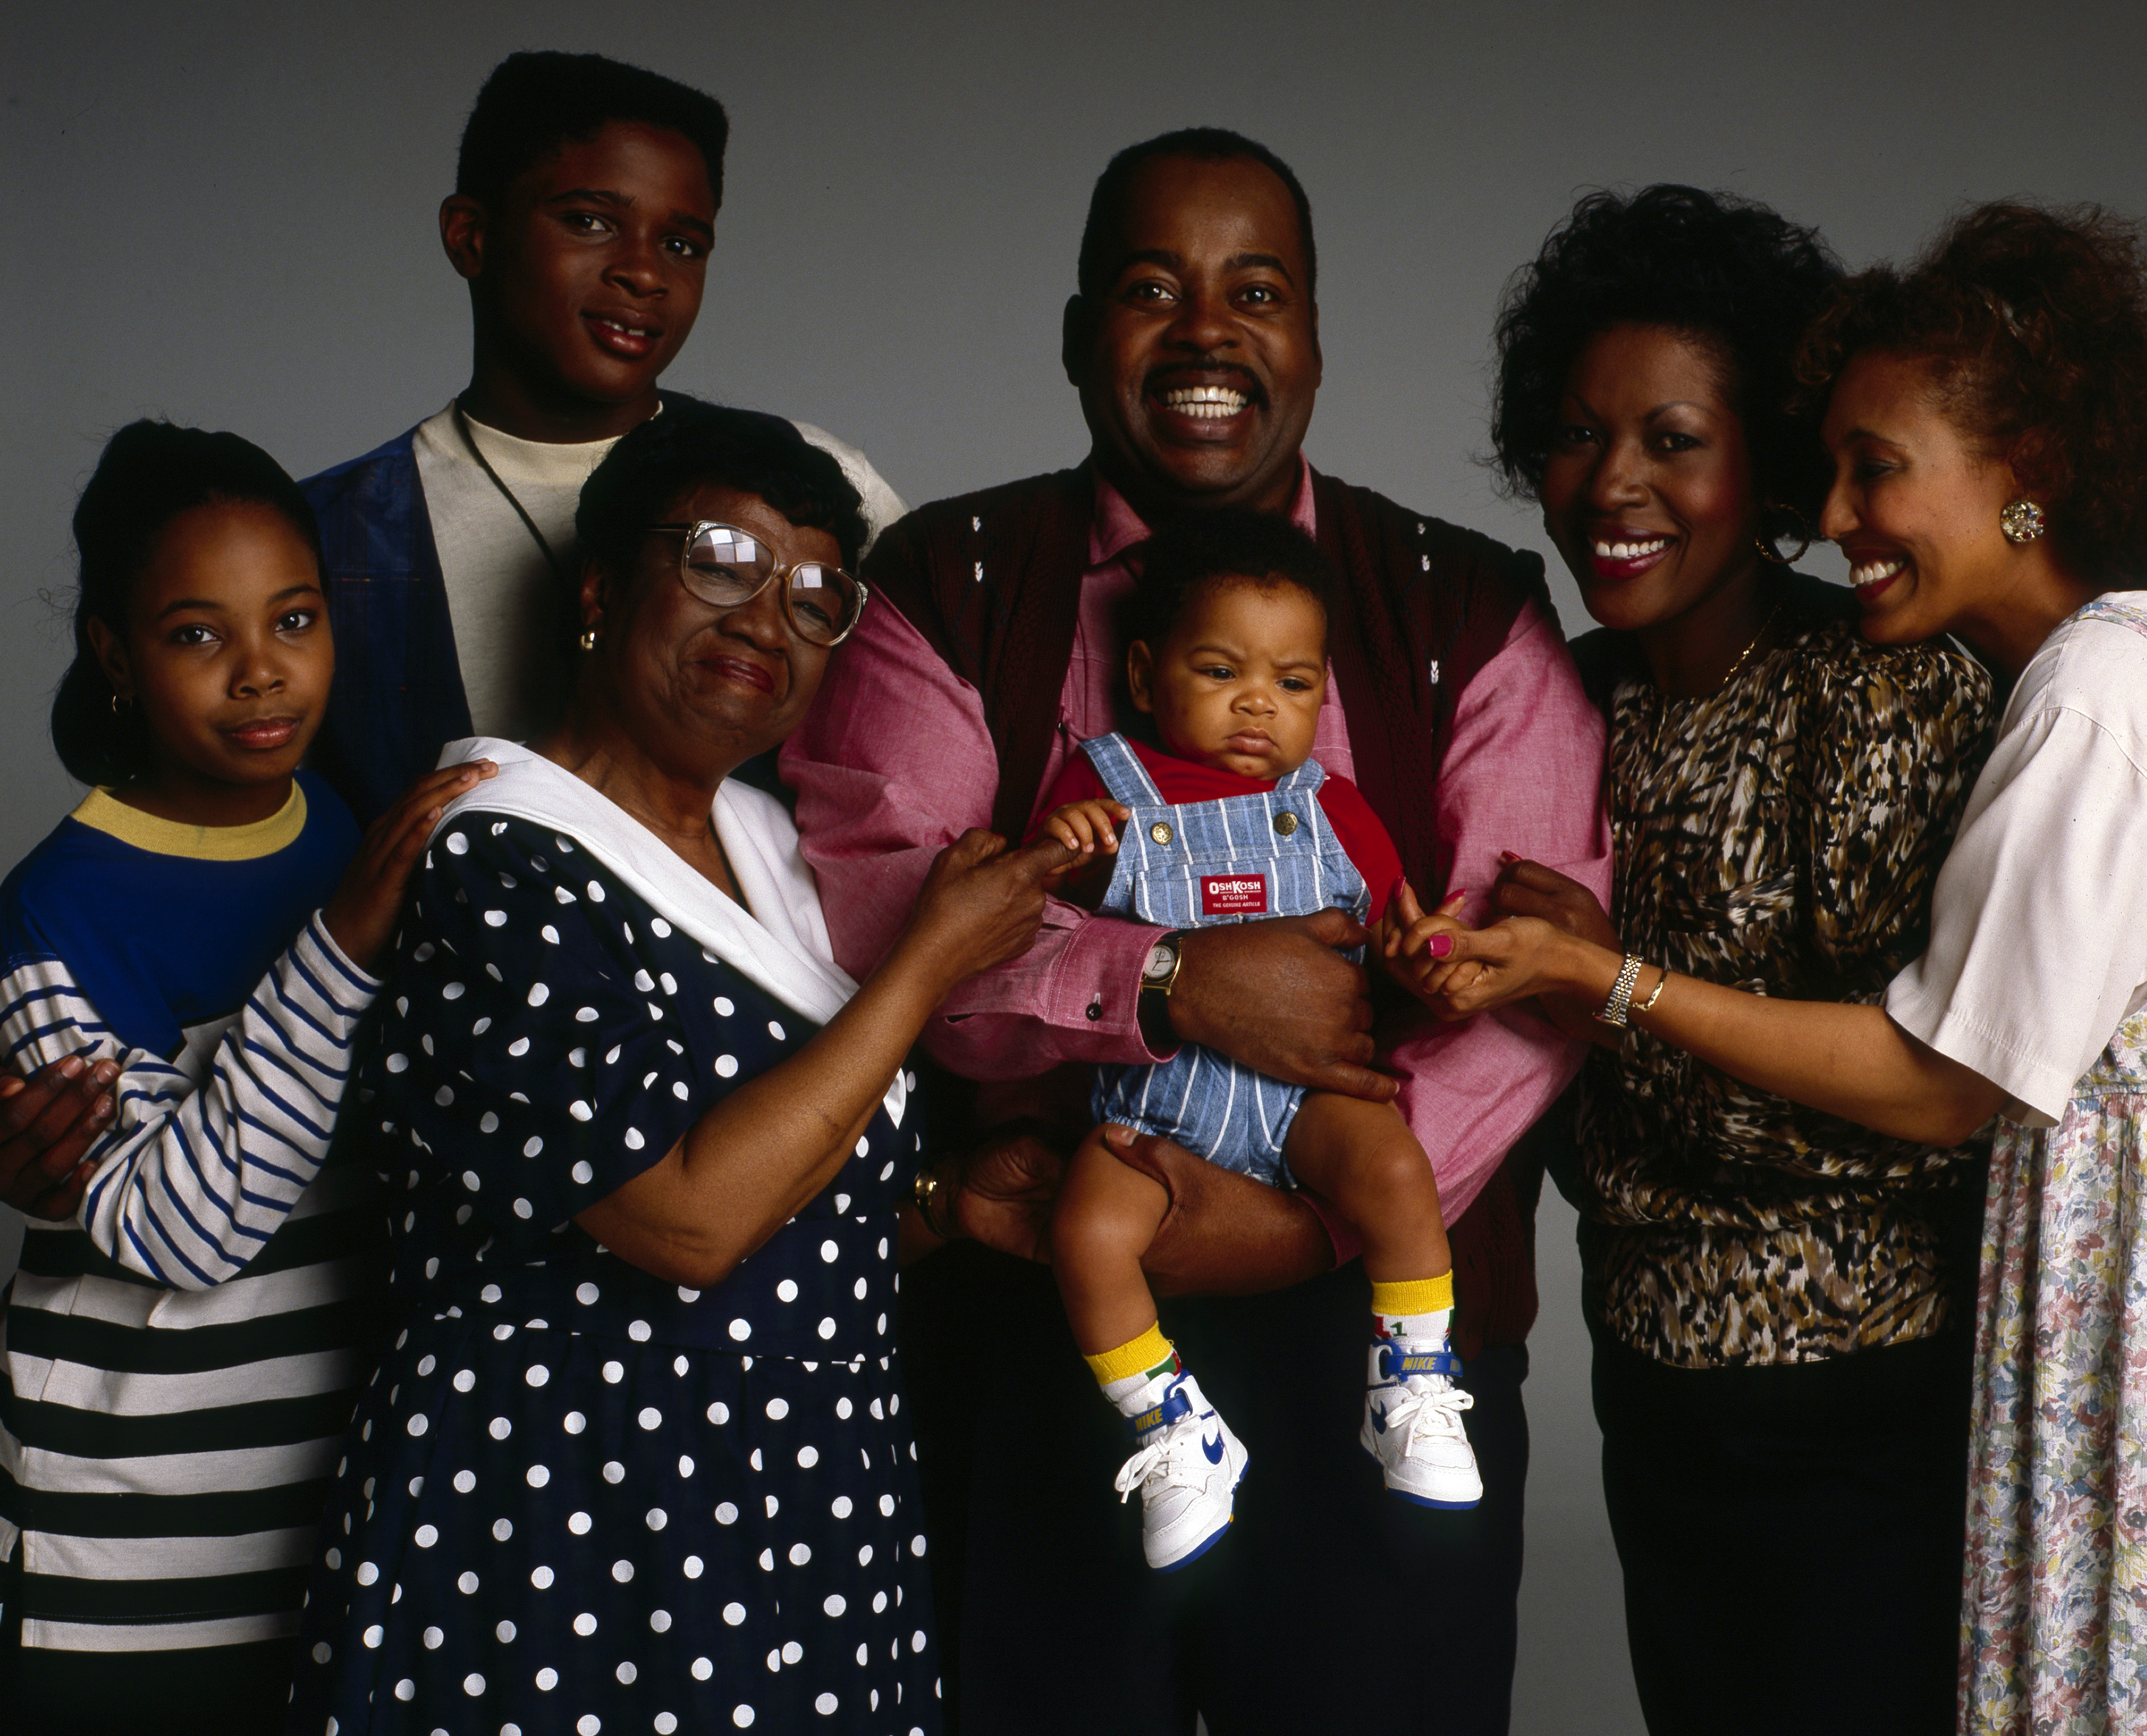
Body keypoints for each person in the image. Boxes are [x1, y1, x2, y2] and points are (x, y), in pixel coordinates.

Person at [783, 128, 1610, 1734]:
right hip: (1050, 1336)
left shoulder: (1464, 601)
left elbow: (1526, 984)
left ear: (1311, 336)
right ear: (1083, 328)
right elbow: (888, 931)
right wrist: (1164, 981)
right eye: (1154, 289)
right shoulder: (951, 580)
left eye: (1258, 291)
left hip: (1396, 1343)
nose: (1207, 332)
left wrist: (1309, 1216)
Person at [1404, 203, 2147, 1736]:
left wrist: (1606, 990)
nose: (1614, 481)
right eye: (1574, 431)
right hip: (1651, 1375)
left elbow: (1930, 1098)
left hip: (1854, 1401)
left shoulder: (1899, 689)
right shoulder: (1567, 696)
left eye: (1674, 437)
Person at [286, 401, 1068, 1736]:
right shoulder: (492, 858)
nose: (766, 618)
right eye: (718, 560)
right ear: (599, 590)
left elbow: (800, 1207)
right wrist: (928, 965)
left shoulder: (791, 864)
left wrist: (940, 1203)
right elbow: (687, 1217)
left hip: (805, 1537)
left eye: (817, 596)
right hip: (563, 1539)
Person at [0, 421, 492, 1736]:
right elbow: (184, 1226)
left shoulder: (336, 824)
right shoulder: (57, 913)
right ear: (114, 652)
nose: (262, 673)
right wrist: (342, 947)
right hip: (134, 1554)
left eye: (294, 618)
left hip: (339, 1521)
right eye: (197, 634)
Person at [1035, 510, 1481, 1571]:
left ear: (1322, 692)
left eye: (1291, 682)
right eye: (1220, 668)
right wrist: (1059, 850)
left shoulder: (1333, 807)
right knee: (1086, 1233)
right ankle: (1170, 1423)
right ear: (1144, 673)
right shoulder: (1101, 785)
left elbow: (1399, 931)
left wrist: (1426, 954)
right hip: (1155, 1107)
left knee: (1394, 1168)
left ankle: (1411, 1376)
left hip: (1304, 1103)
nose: (1256, 703)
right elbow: (1031, 925)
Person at [299, 50, 904, 826]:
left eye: (682, 244)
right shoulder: (328, 533)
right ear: (471, 237)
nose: (644, 274)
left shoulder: (814, 486)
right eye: (590, 222)